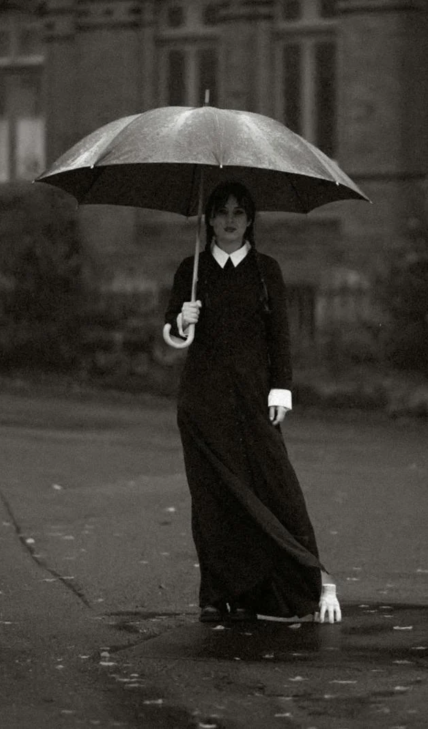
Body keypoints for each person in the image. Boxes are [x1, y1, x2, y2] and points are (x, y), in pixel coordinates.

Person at [163, 181, 341, 625]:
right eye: (221, 212)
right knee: (212, 500)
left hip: (255, 400)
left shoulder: (266, 271)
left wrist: (281, 389)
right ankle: (221, 594)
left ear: (250, 220)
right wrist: (182, 322)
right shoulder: (192, 270)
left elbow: (279, 338)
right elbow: (173, 336)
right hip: (202, 404)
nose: (229, 220)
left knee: (273, 488)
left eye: (239, 212)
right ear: (208, 220)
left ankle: (297, 584)